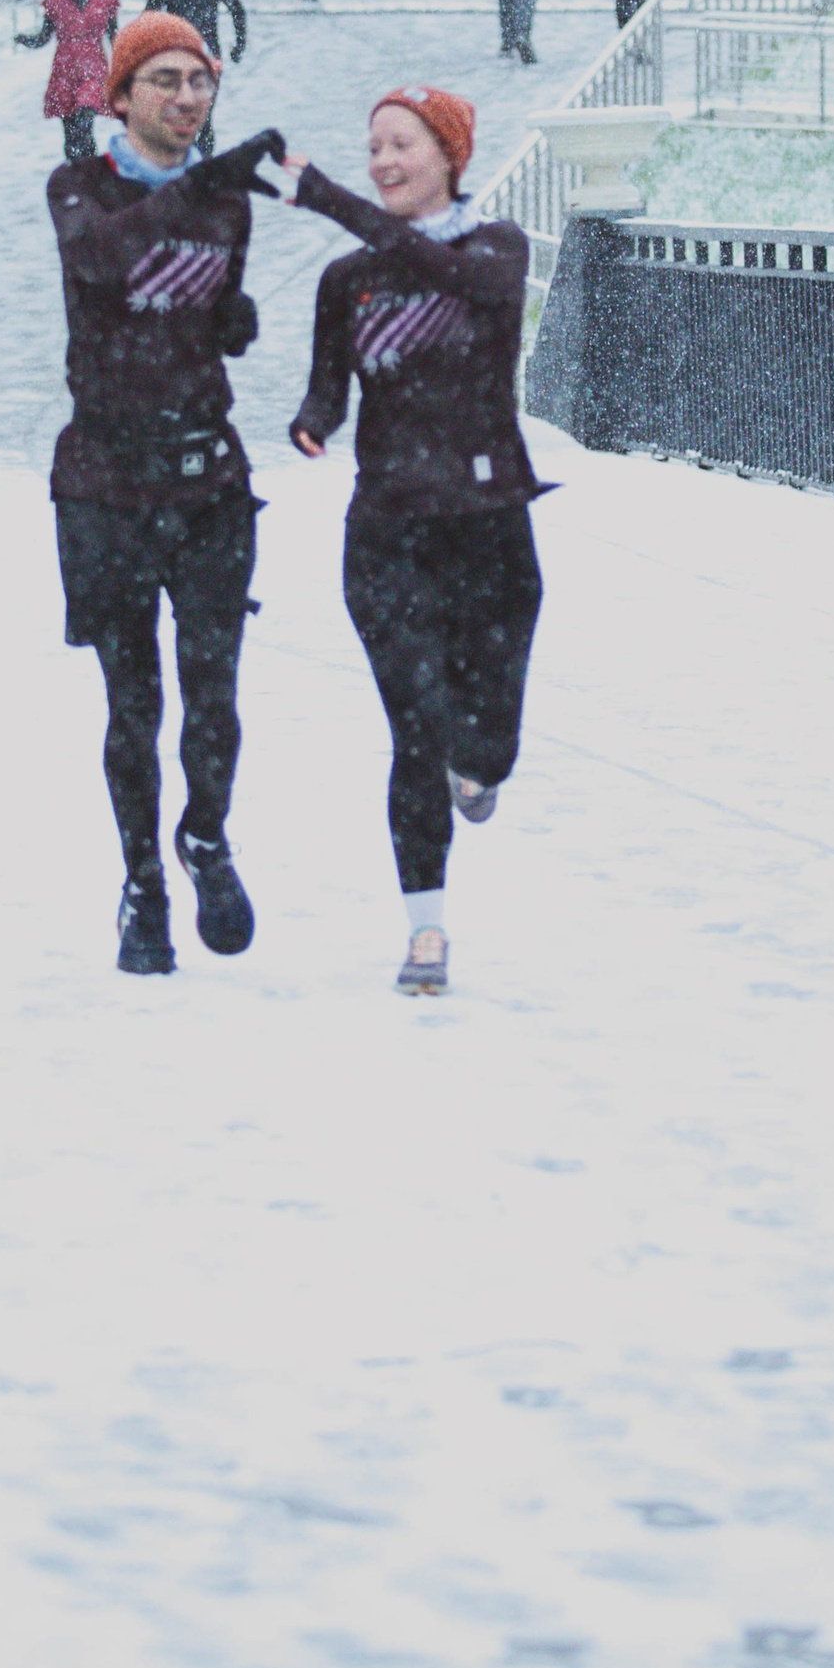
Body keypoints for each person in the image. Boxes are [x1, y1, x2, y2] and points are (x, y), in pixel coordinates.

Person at [284, 84, 542, 998]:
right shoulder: (346, 281)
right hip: (388, 533)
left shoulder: (497, 251)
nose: (384, 163)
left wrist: (330, 201)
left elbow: (458, 282)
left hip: (490, 530)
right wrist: (311, 422)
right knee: (415, 729)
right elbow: (330, 391)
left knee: (487, 745)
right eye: (374, 148)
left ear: (449, 155)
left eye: (403, 145)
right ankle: (425, 931)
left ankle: (480, 772)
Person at [47, 12, 290, 976]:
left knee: (215, 690)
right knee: (134, 703)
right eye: (167, 81)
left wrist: (235, 318)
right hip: (105, 480)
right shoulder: (77, 187)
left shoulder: (227, 203)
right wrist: (198, 189)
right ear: (122, 95)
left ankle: (207, 837)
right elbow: (103, 262)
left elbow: (212, 312)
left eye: (201, 82)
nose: (188, 98)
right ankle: (142, 882)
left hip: (206, 479)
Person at [141, 0, 249, 158]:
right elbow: (147, 19)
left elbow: (237, 11)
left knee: (203, 117)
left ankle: (202, 165)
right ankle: (182, 163)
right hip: (175, 58)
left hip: (207, 57)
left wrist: (239, 44)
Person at [19, 0, 122, 164]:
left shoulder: (106, 0)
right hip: (65, 68)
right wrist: (27, 40)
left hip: (93, 67)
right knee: (70, 130)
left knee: (85, 117)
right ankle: (75, 171)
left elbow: (115, 37)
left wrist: (129, 60)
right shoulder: (56, 1)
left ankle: (89, 167)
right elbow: (44, 37)